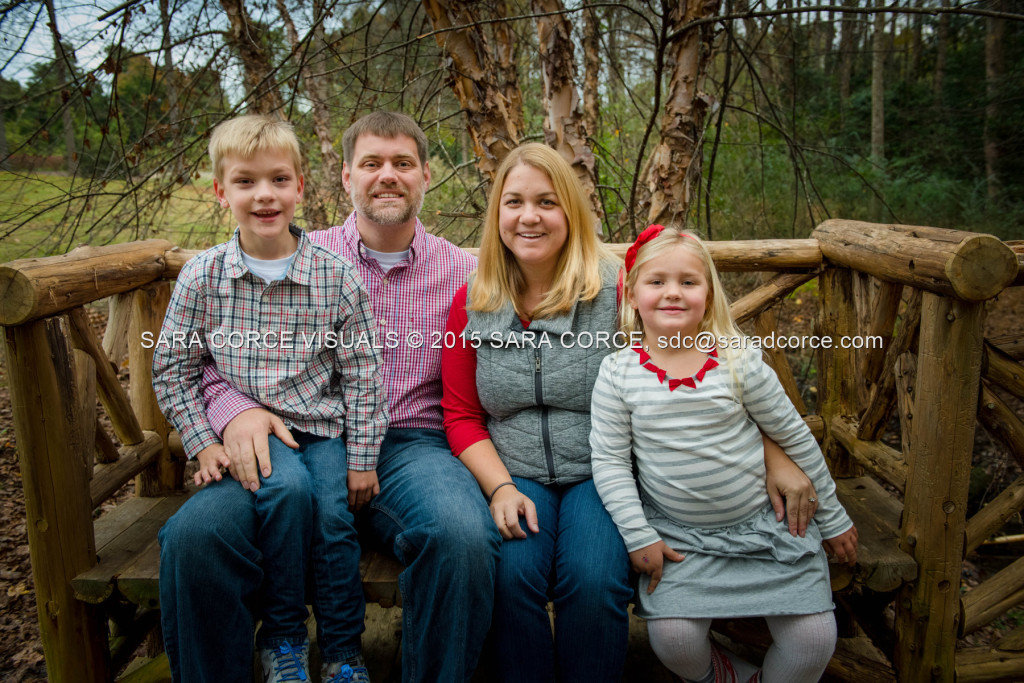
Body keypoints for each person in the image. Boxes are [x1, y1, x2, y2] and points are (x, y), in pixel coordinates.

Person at [441, 144, 822, 682]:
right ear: (497, 214)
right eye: (515, 202)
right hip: (513, 470)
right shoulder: (472, 300)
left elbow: (708, 369)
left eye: (547, 202)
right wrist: (501, 488)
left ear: (570, 212)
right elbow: (460, 413)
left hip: (606, 472)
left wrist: (774, 452)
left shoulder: (616, 287)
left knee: (594, 579)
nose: (529, 216)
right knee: (510, 577)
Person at [157, 111, 500, 683]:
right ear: (345, 178)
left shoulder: (468, 272)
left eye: (402, 164)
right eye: (371, 164)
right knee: (194, 539)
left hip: (414, 448)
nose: (386, 176)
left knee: (461, 537)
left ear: (426, 175)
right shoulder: (293, 256)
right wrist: (236, 413)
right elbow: (204, 360)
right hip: (288, 442)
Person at [153, 115, 386, 683]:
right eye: (245, 181)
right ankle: (282, 639)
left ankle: (342, 653)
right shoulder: (203, 277)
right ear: (220, 190)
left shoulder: (336, 277)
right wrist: (203, 441)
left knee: (332, 518)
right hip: (249, 438)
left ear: (301, 185)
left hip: (324, 430)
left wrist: (363, 457)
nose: (264, 195)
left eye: (279, 179)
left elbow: (363, 373)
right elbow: (172, 367)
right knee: (287, 489)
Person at [590, 225, 860, 683]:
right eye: (657, 282)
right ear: (632, 295)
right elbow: (611, 462)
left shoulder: (738, 360)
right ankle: (728, 677)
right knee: (673, 641)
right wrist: (638, 536)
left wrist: (833, 517)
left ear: (709, 296)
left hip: (769, 532)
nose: (673, 293)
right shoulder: (618, 373)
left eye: (688, 282)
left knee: (813, 640)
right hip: (681, 540)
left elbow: (792, 436)